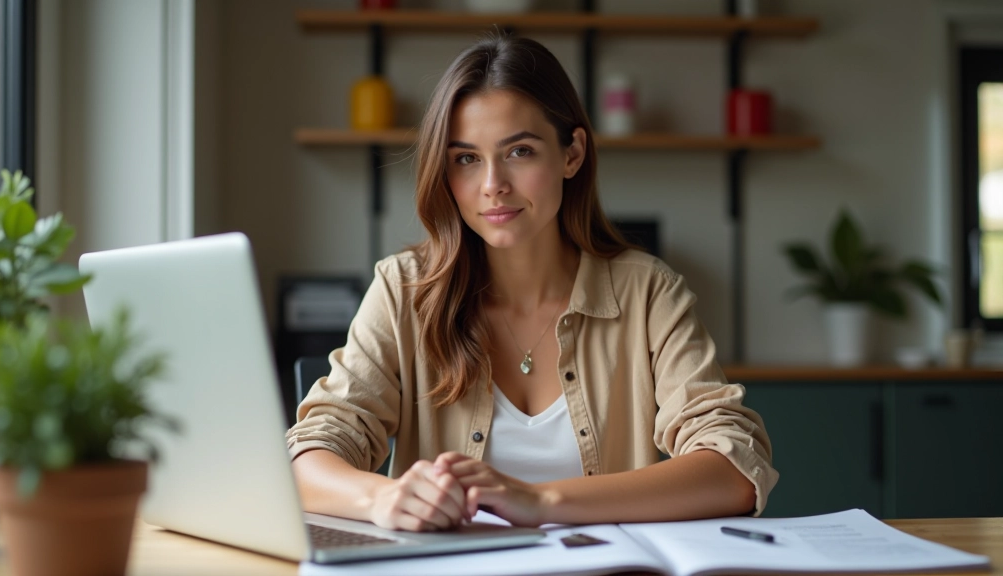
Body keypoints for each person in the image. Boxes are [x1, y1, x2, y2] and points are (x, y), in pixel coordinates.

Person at [286, 35, 777, 533]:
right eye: (466, 158)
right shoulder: (403, 289)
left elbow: (733, 467)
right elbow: (307, 458)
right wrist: (382, 498)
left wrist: (540, 501)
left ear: (572, 154)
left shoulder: (649, 293)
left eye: (519, 151)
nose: (492, 183)